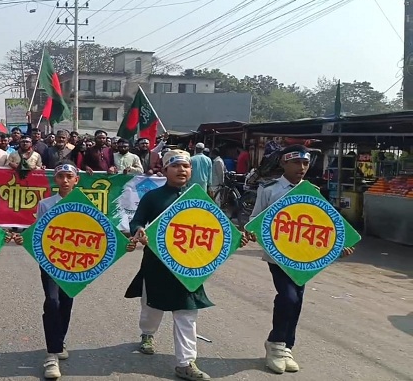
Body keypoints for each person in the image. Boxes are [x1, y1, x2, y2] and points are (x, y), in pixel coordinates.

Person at [126, 150, 251, 381]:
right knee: (152, 308)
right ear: (165, 170)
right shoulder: (153, 197)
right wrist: (139, 230)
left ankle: (185, 363)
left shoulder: (199, 197)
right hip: (157, 264)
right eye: (175, 166)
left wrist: (236, 238)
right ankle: (147, 334)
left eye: (185, 166)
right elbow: (137, 221)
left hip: (189, 266)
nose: (181, 170)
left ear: (191, 170)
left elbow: (218, 227)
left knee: (186, 312)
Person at [10, 161, 138, 379]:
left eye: (69, 177)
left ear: (76, 180)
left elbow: (101, 233)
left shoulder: (87, 204)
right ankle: (51, 355)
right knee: (52, 302)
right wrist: (24, 238)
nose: (65, 180)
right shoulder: (46, 204)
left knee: (66, 302)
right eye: (60, 176)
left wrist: (125, 244)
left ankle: (59, 340)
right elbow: (38, 233)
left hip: (77, 263)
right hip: (51, 262)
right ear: (56, 180)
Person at [248, 145, 355, 375]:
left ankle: (287, 346)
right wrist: (255, 233)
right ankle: (275, 343)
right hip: (278, 257)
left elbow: (324, 225)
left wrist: (339, 247)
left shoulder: (312, 191)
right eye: (296, 162)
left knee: (297, 300)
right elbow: (255, 219)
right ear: (284, 164)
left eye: (305, 163)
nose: (302, 168)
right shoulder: (269, 189)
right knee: (287, 297)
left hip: (304, 258)